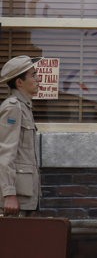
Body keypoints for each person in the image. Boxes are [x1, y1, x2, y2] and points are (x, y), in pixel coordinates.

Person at [0, 55, 42, 217]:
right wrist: (9, 194)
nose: (38, 79)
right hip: (15, 198)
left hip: (25, 194)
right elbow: (5, 152)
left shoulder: (24, 107)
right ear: (19, 82)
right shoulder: (13, 108)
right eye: (33, 75)